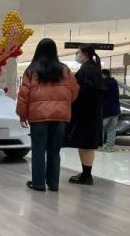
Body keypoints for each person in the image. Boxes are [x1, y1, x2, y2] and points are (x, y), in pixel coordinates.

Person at [16, 39, 79, 192]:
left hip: (38, 116)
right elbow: (74, 90)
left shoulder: (31, 70)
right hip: (60, 116)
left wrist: (22, 114)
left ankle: (38, 183)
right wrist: (63, 104)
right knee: (54, 151)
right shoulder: (64, 70)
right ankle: (53, 183)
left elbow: (24, 94)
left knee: (38, 150)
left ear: (38, 51)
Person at [65, 45, 106, 185]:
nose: (77, 55)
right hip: (88, 113)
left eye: (79, 52)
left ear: (85, 54)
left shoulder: (89, 69)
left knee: (87, 144)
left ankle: (87, 175)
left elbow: (88, 90)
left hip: (87, 114)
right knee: (83, 144)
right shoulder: (90, 68)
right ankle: (85, 172)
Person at [102, 69, 121, 151]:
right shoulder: (115, 82)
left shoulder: (103, 82)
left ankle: (100, 145)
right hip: (115, 110)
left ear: (103, 75)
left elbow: (102, 96)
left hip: (106, 110)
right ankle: (109, 146)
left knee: (101, 129)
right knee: (112, 129)